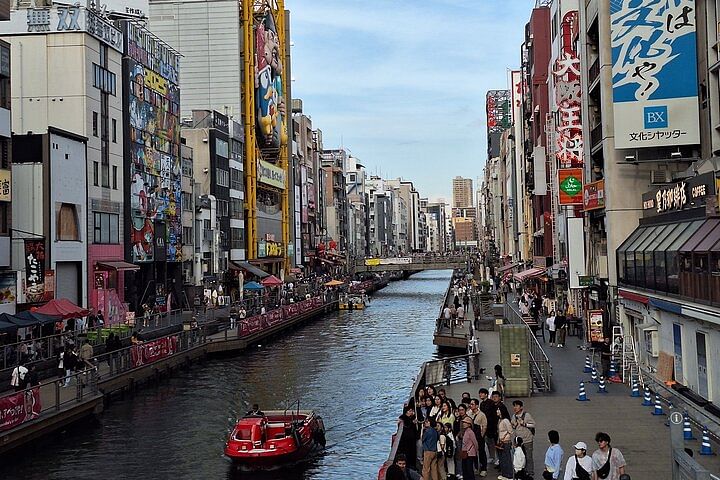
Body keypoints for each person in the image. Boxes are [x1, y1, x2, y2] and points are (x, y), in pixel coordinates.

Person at [511, 400, 536, 478]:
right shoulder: (514, 416)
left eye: (517, 406)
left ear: (521, 407)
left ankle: (530, 473)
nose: (515, 408)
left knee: (528, 457)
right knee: (520, 457)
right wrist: (514, 425)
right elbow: (513, 428)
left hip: (527, 440)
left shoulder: (527, 415)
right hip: (518, 442)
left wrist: (524, 424)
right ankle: (523, 471)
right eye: (514, 406)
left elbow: (533, 425)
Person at [468, 398, 488, 476]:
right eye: (470, 404)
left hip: (479, 437)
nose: (471, 405)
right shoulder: (469, 413)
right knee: (473, 453)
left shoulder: (482, 415)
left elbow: (484, 426)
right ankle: (476, 467)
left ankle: (484, 468)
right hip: (471, 437)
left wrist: (481, 436)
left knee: (482, 452)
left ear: (476, 405)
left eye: (472, 404)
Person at [397, 405, 419, 471]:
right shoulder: (403, 418)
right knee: (408, 454)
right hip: (406, 442)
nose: (412, 412)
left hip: (412, 440)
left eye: (412, 411)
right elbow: (406, 426)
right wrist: (412, 423)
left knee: (412, 454)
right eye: (410, 411)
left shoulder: (413, 418)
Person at [497, 405, 514, 480]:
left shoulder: (506, 421)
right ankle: (504, 474)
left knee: (507, 458)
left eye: (498, 410)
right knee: (502, 459)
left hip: (506, 442)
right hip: (501, 441)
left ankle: (509, 475)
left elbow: (510, 431)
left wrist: (505, 438)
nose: (497, 411)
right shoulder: (499, 420)